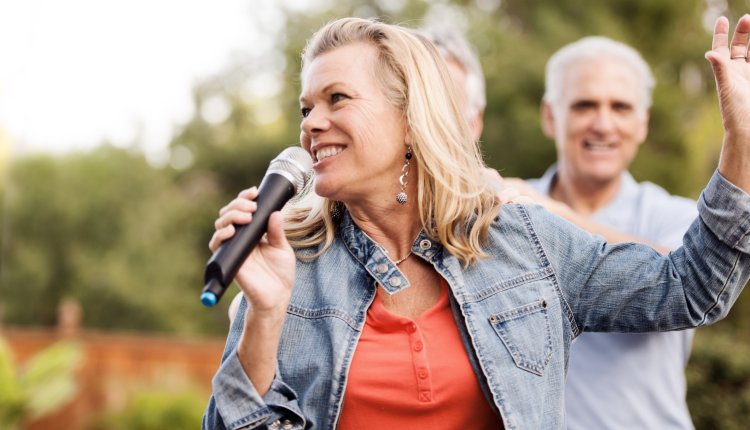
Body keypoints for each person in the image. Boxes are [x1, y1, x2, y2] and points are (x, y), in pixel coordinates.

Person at [202, 15, 750, 429]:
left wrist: (741, 141)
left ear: (410, 119)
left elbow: (691, 288)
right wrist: (266, 314)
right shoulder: (287, 264)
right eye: (306, 108)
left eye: (336, 99)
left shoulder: (523, 243)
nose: (312, 124)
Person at [522, 37, 697, 429]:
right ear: (551, 116)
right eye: (584, 105)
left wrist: (552, 217)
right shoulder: (506, 210)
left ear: (642, 122)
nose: (603, 123)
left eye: (620, 107)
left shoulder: (676, 216)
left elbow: (685, 279)